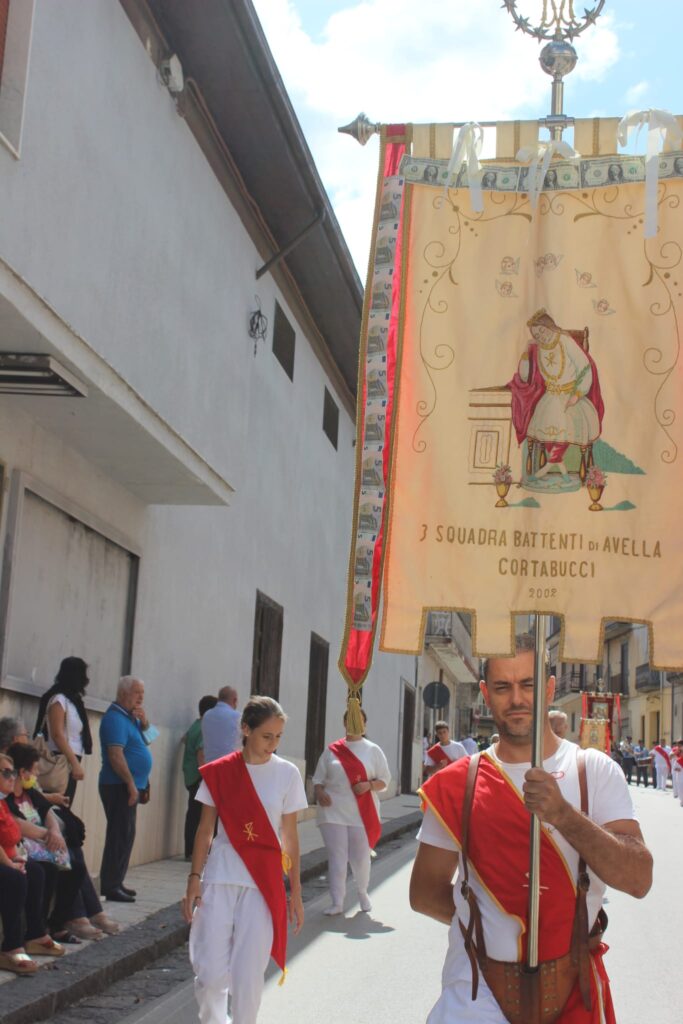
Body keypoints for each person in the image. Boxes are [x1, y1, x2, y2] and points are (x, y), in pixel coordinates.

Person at [410, 632, 652, 1024]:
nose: (518, 699)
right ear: (486, 694)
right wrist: (487, 926)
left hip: (574, 989)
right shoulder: (458, 782)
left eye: (528, 684)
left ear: (550, 688)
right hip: (474, 993)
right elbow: (423, 893)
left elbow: (639, 879)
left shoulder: (594, 771)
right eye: (504, 687)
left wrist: (565, 816)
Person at [182, 695, 307, 1024]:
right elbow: (205, 828)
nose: (273, 744)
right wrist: (194, 878)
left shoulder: (288, 774)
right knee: (209, 975)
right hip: (220, 875)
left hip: (263, 883)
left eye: (279, 737)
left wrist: (295, 891)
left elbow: (290, 838)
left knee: (248, 978)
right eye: (267, 736)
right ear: (246, 729)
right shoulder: (221, 773)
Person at [509, 308, 604, 485]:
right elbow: (524, 375)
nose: (541, 336)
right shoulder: (537, 347)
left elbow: (585, 367)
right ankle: (556, 467)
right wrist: (525, 349)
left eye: (542, 331)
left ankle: (550, 466)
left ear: (550, 326)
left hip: (571, 396)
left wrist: (577, 394)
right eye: (536, 334)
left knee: (566, 426)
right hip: (550, 397)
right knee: (544, 430)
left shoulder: (565, 341)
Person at [6, 743, 86, 947]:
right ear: (22, 772)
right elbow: (15, 824)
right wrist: (47, 835)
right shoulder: (7, 796)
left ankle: (56, 924)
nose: (37, 775)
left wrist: (55, 832)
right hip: (26, 847)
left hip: (42, 844)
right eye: (35, 771)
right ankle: (36, 930)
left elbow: (47, 811)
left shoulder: (30, 791)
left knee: (76, 868)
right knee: (43, 870)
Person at [312, 708, 391, 916]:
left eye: (359, 720)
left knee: (361, 857)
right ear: (344, 722)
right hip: (333, 811)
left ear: (365, 724)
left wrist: (368, 785)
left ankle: (363, 891)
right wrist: (320, 793)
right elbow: (318, 779)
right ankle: (337, 901)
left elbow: (385, 781)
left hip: (361, 813)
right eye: (350, 720)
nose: (355, 724)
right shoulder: (332, 750)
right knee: (337, 856)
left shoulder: (373, 750)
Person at [98, 676, 153, 902]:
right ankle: (110, 885)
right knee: (119, 834)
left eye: (142, 693)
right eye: (136, 692)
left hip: (130, 785)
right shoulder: (114, 718)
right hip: (118, 785)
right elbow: (115, 755)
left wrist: (146, 723)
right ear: (123, 694)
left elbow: (146, 742)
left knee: (127, 834)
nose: (140, 697)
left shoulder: (130, 718)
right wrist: (131, 784)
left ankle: (117, 881)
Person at [33, 656, 93, 802]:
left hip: (70, 758)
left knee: (65, 803)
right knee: (59, 803)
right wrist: (74, 763)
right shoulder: (59, 699)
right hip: (59, 758)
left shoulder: (74, 701)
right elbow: (57, 734)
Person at [182, 695, 218, 859]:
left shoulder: (196, 725)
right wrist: (208, 779)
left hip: (191, 776)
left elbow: (185, 739)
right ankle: (193, 852)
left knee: (193, 814)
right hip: (199, 778)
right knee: (199, 817)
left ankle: (190, 850)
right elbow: (201, 755)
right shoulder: (206, 727)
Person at [201, 686, 241, 763]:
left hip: (209, 767)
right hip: (229, 765)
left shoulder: (207, 715)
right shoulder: (238, 717)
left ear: (218, 698)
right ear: (235, 700)